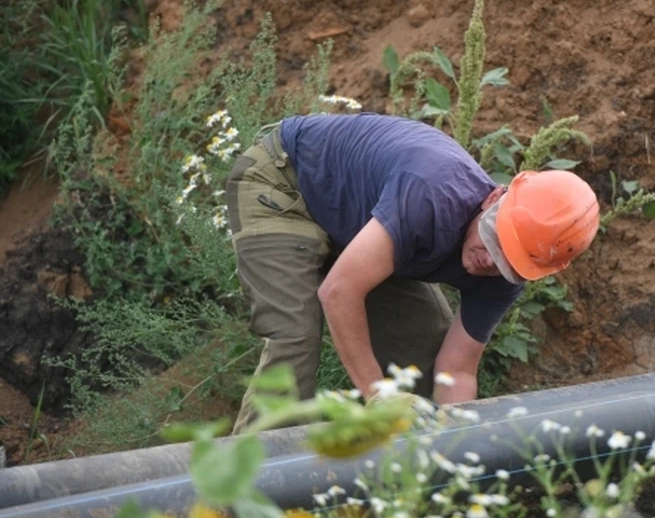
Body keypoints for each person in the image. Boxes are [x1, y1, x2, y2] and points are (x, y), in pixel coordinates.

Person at [226, 113, 599, 433]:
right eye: (492, 239)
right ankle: (242, 497)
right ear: (492, 200)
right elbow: (339, 292)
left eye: (508, 262)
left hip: (361, 226)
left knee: (425, 349)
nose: (491, 261)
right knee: (295, 338)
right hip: (286, 184)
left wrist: (457, 446)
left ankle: (410, 490)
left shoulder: (505, 275)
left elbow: (458, 370)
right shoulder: (431, 195)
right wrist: (378, 397)